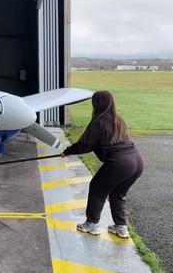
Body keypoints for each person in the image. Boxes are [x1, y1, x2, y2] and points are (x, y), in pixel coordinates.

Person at [61, 90, 144, 238]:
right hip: (137, 160)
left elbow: (85, 144)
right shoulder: (118, 119)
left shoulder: (98, 121)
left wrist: (67, 151)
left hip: (119, 163)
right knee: (118, 194)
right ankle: (121, 227)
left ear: (96, 104)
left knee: (97, 189)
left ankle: (91, 224)